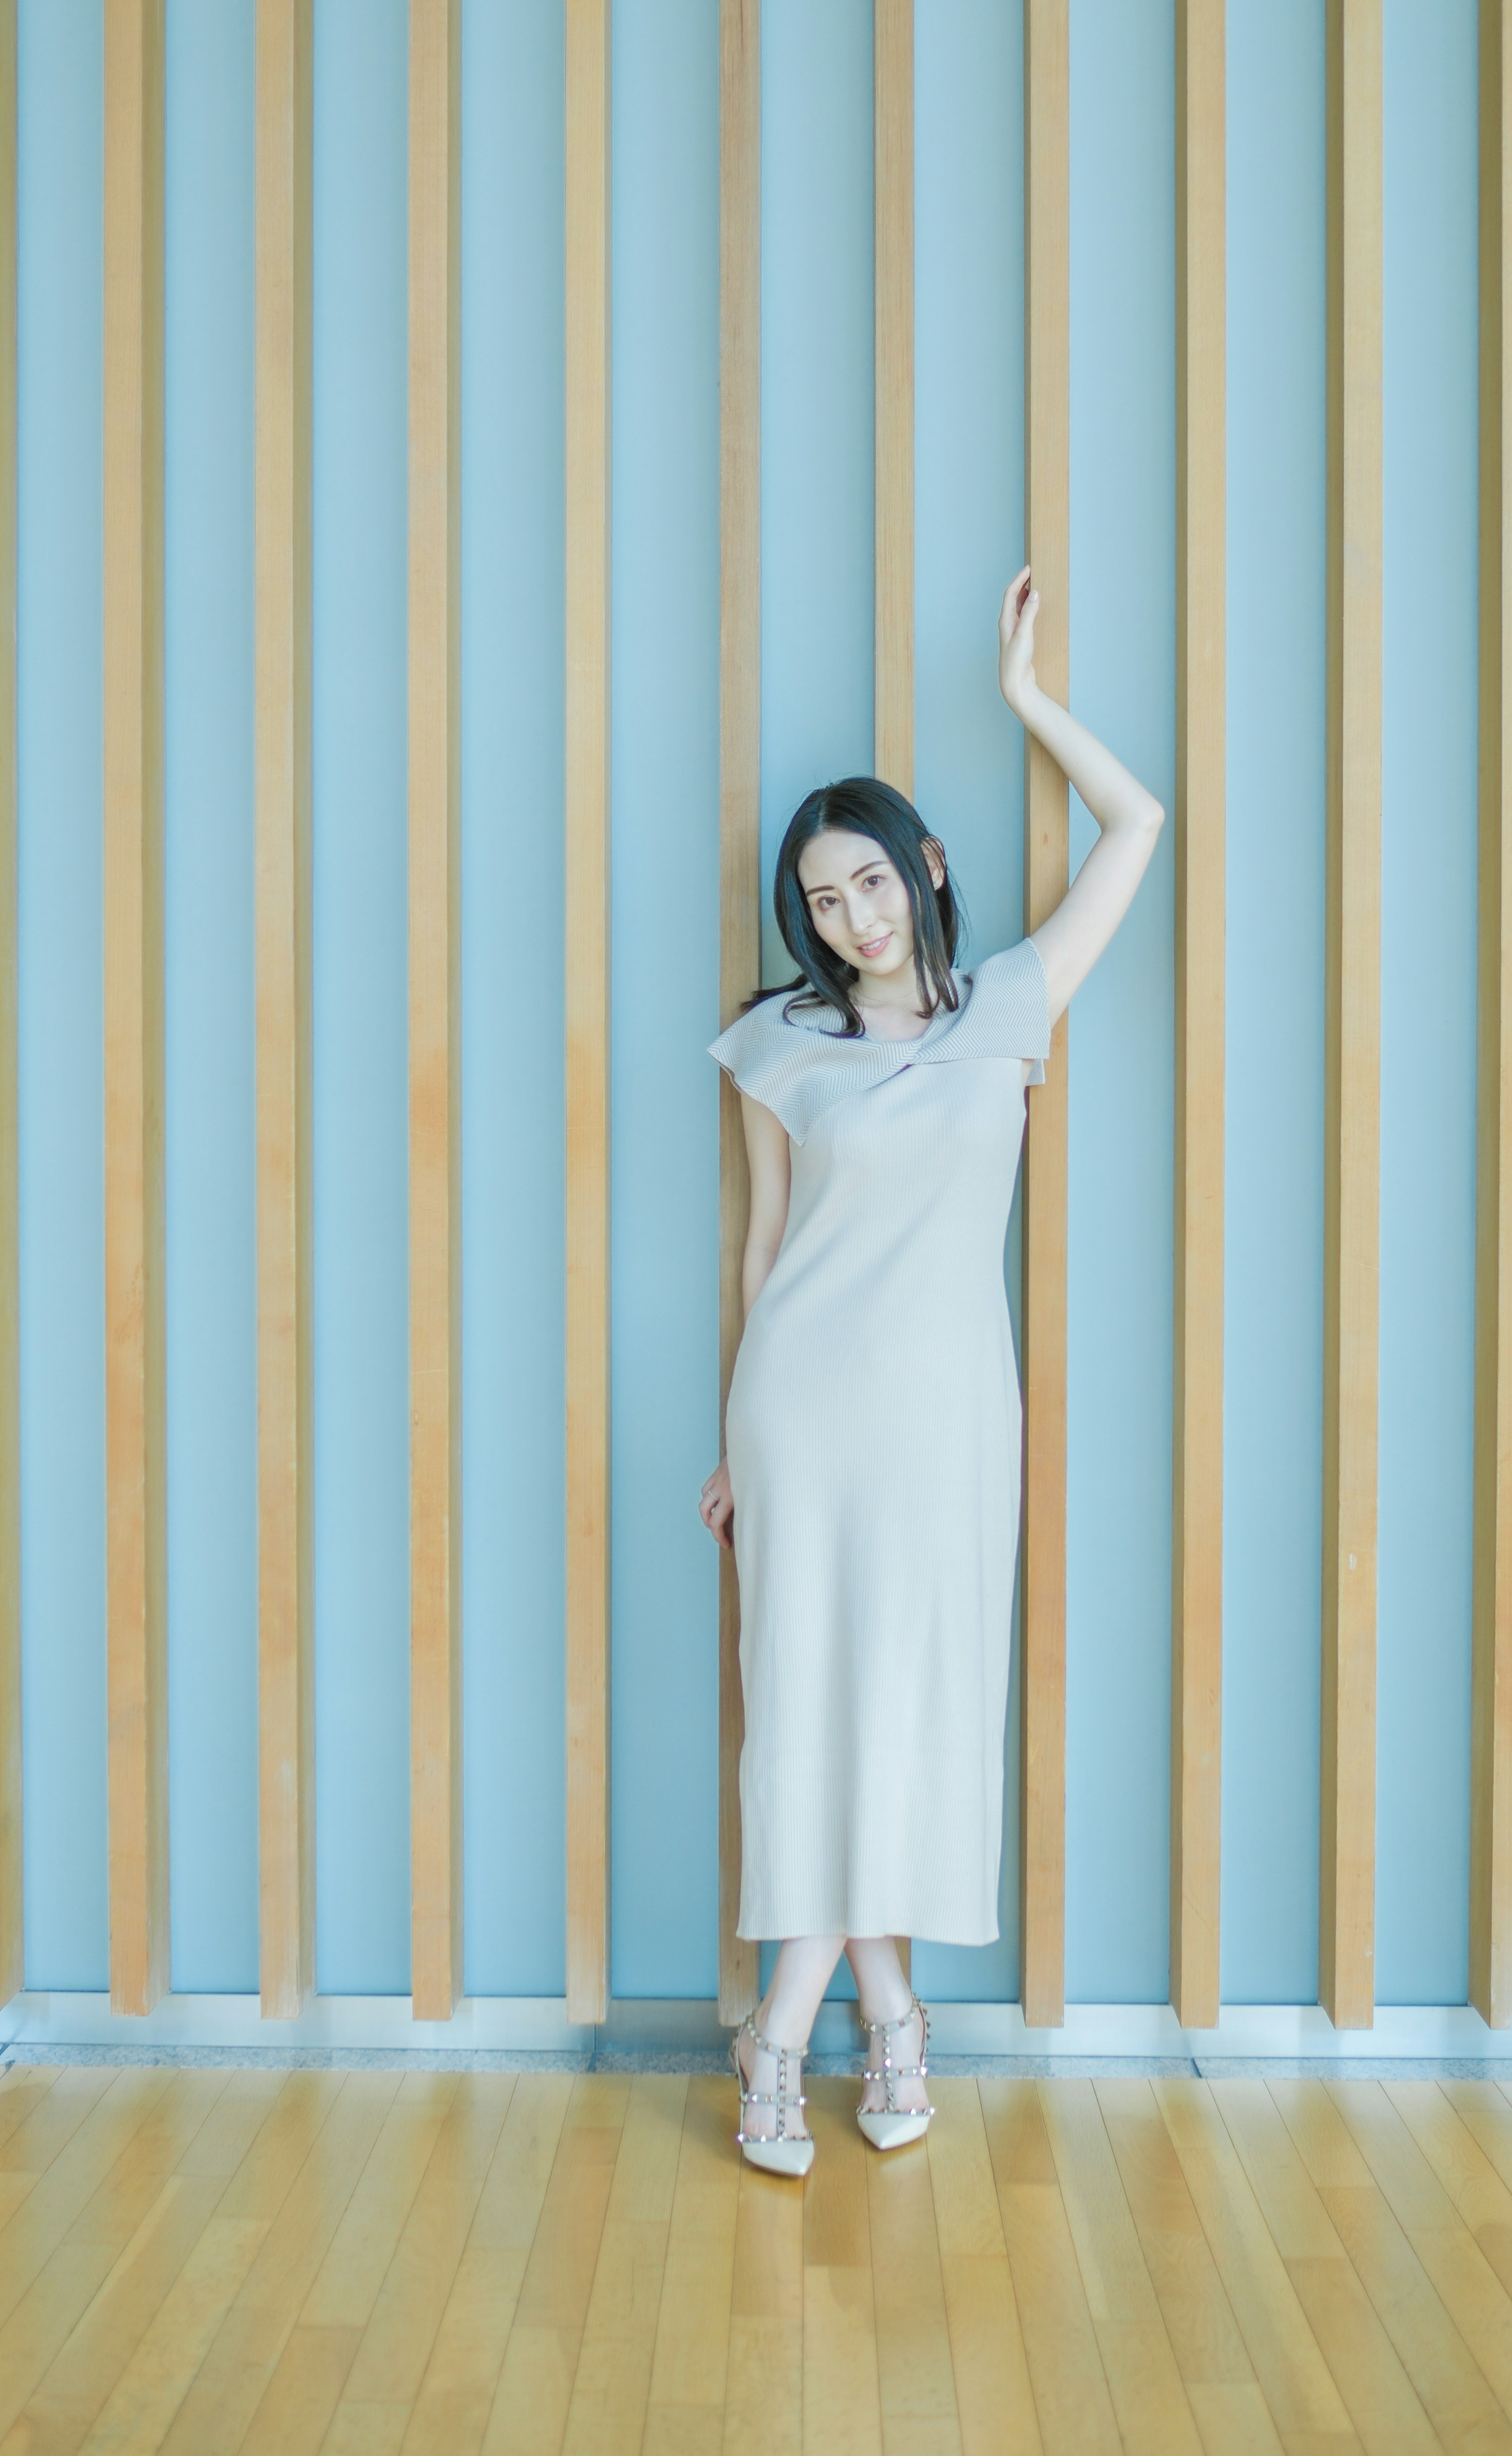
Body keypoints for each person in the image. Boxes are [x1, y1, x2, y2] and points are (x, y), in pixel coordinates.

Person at [699, 568, 1164, 2175]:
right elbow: (763, 1253)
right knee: (808, 1720)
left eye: (871, 885)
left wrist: (1029, 698)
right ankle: (865, 2032)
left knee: (911, 1711)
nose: (851, 920)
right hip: (805, 1416)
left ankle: (803, 2026)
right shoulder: (776, 1044)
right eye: (823, 902)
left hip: (959, 1420)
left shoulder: (1014, 1004)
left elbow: (1139, 827)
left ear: (924, 869)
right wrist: (729, 1441)